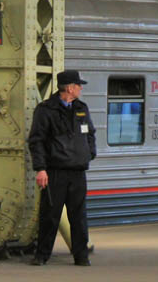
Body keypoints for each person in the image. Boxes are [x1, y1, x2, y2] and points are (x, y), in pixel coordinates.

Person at [27, 69, 96, 266]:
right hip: (55, 172)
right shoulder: (46, 110)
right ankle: (42, 255)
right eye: (78, 85)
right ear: (69, 88)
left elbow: (90, 134)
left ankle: (81, 256)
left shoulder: (81, 108)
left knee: (79, 217)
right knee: (50, 215)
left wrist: (89, 153)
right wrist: (41, 168)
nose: (80, 88)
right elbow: (36, 141)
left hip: (78, 171)